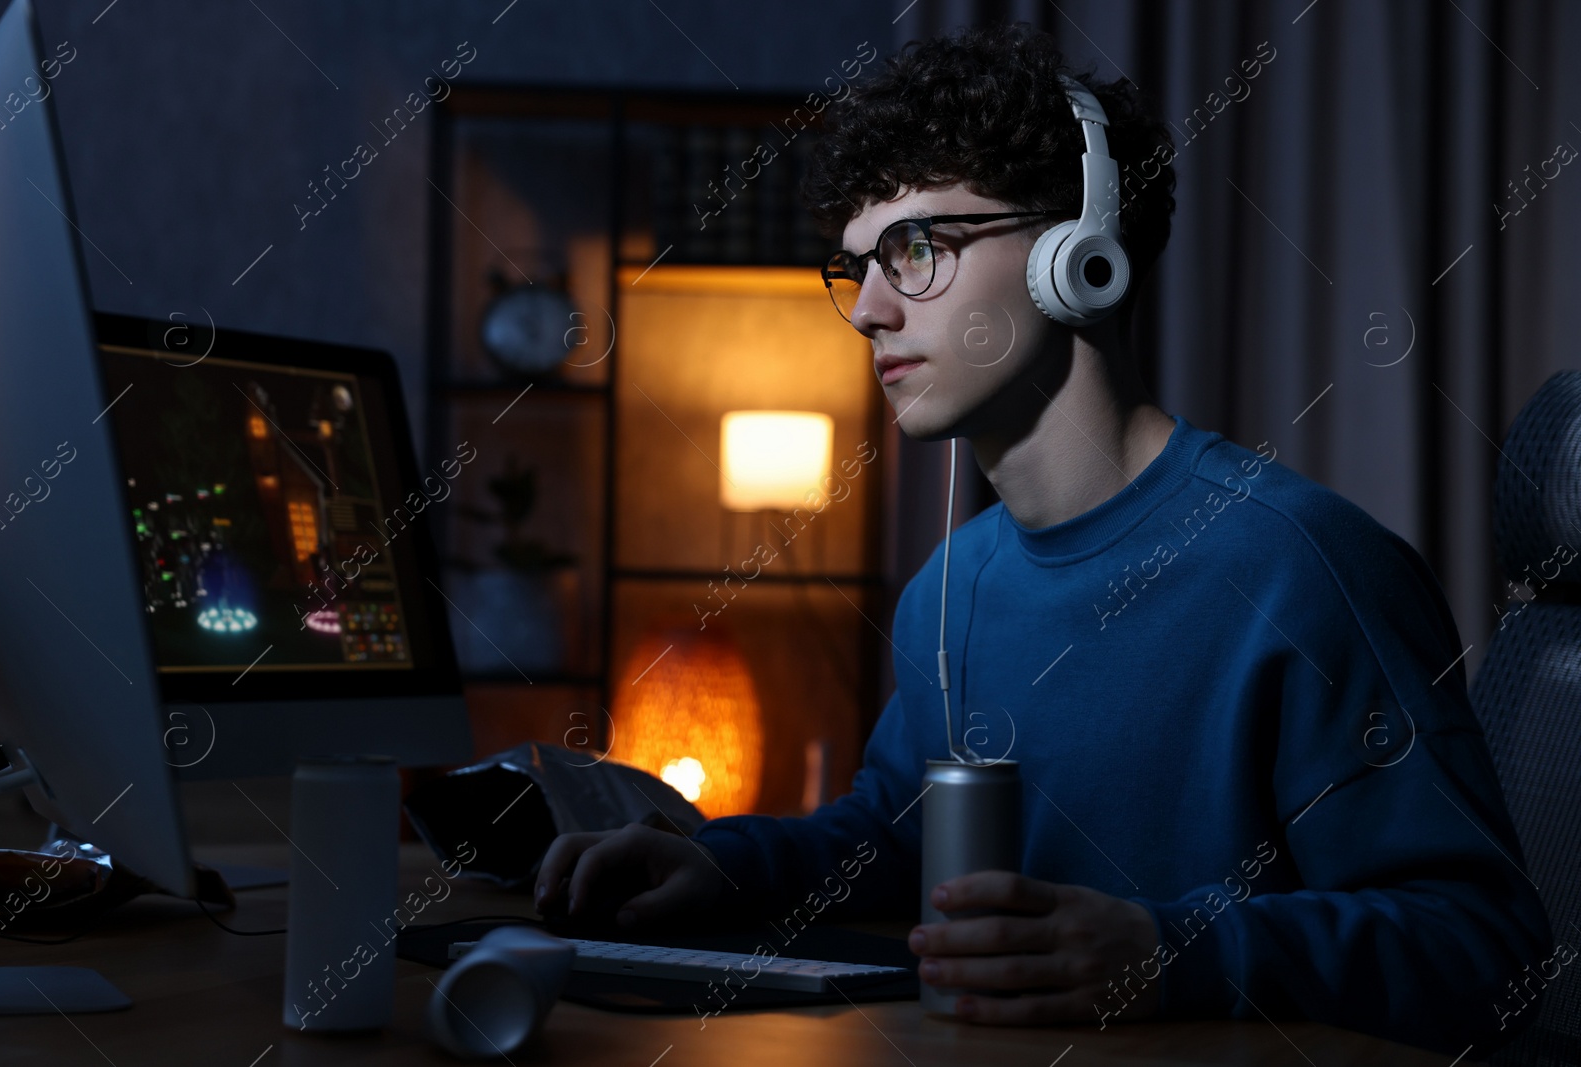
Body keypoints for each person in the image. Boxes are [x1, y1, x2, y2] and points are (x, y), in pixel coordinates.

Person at [536, 23, 1550, 1055]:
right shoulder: (950, 588)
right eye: (855, 268)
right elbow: (897, 829)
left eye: (918, 250)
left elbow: (1484, 944)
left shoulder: (1299, 566)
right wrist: (722, 865)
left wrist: (1171, 954)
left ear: (1080, 258)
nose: (871, 310)